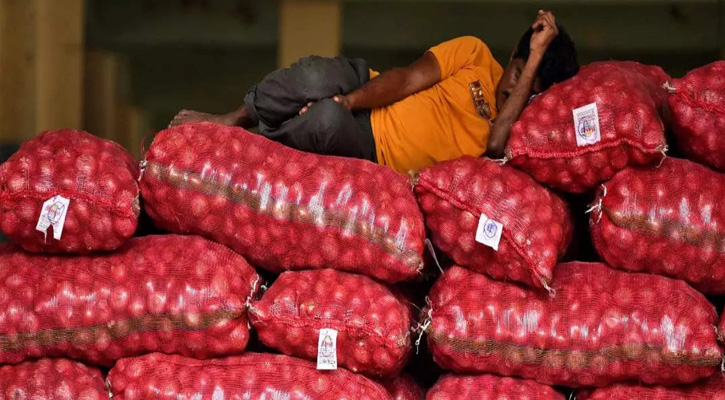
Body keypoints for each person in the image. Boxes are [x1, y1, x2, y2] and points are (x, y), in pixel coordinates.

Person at [169, 10, 578, 174]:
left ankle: (248, 142)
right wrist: (348, 100)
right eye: (518, 71)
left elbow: (493, 144)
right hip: (372, 88)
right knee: (314, 74)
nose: (512, 87)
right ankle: (233, 119)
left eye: (527, 88)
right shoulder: (474, 53)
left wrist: (538, 58)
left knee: (324, 123)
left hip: (371, 149)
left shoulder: (521, 137)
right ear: (510, 55)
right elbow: (408, 79)